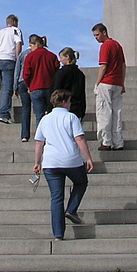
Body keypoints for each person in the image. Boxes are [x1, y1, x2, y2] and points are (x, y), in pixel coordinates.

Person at [32, 89, 94, 240]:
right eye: (69, 101)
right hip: (71, 160)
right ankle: (71, 209)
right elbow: (79, 139)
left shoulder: (45, 119)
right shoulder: (71, 117)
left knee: (56, 198)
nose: (70, 104)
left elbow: (39, 142)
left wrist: (37, 162)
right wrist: (88, 158)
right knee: (81, 182)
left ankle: (58, 234)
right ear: (65, 102)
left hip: (51, 163)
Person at [92, 23, 126, 150]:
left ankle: (106, 141)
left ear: (104, 32)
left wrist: (97, 82)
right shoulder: (117, 45)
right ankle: (118, 142)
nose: (96, 38)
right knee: (117, 112)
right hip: (117, 82)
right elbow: (123, 65)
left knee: (104, 113)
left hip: (106, 82)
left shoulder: (105, 46)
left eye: (97, 34)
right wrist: (122, 82)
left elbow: (103, 66)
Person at [20, 35, 59, 143]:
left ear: (36, 44)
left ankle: (41, 139)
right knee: (51, 114)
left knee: (39, 115)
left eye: (31, 45)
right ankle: (52, 137)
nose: (30, 48)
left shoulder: (30, 57)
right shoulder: (52, 56)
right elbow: (57, 71)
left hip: (35, 88)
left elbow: (26, 74)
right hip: (49, 88)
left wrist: (29, 86)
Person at [0, 14, 23, 124]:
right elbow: (18, 43)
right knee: (8, 88)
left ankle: (1, 106)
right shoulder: (16, 30)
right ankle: (3, 112)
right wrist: (17, 58)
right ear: (15, 22)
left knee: (4, 86)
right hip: (8, 60)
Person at [53, 47, 87, 119]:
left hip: (63, 107)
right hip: (77, 109)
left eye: (61, 57)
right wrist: (83, 110)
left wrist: (50, 107)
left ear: (67, 57)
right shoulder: (80, 74)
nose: (60, 60)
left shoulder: (61, 72)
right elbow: (82, 94)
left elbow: (56, 90)